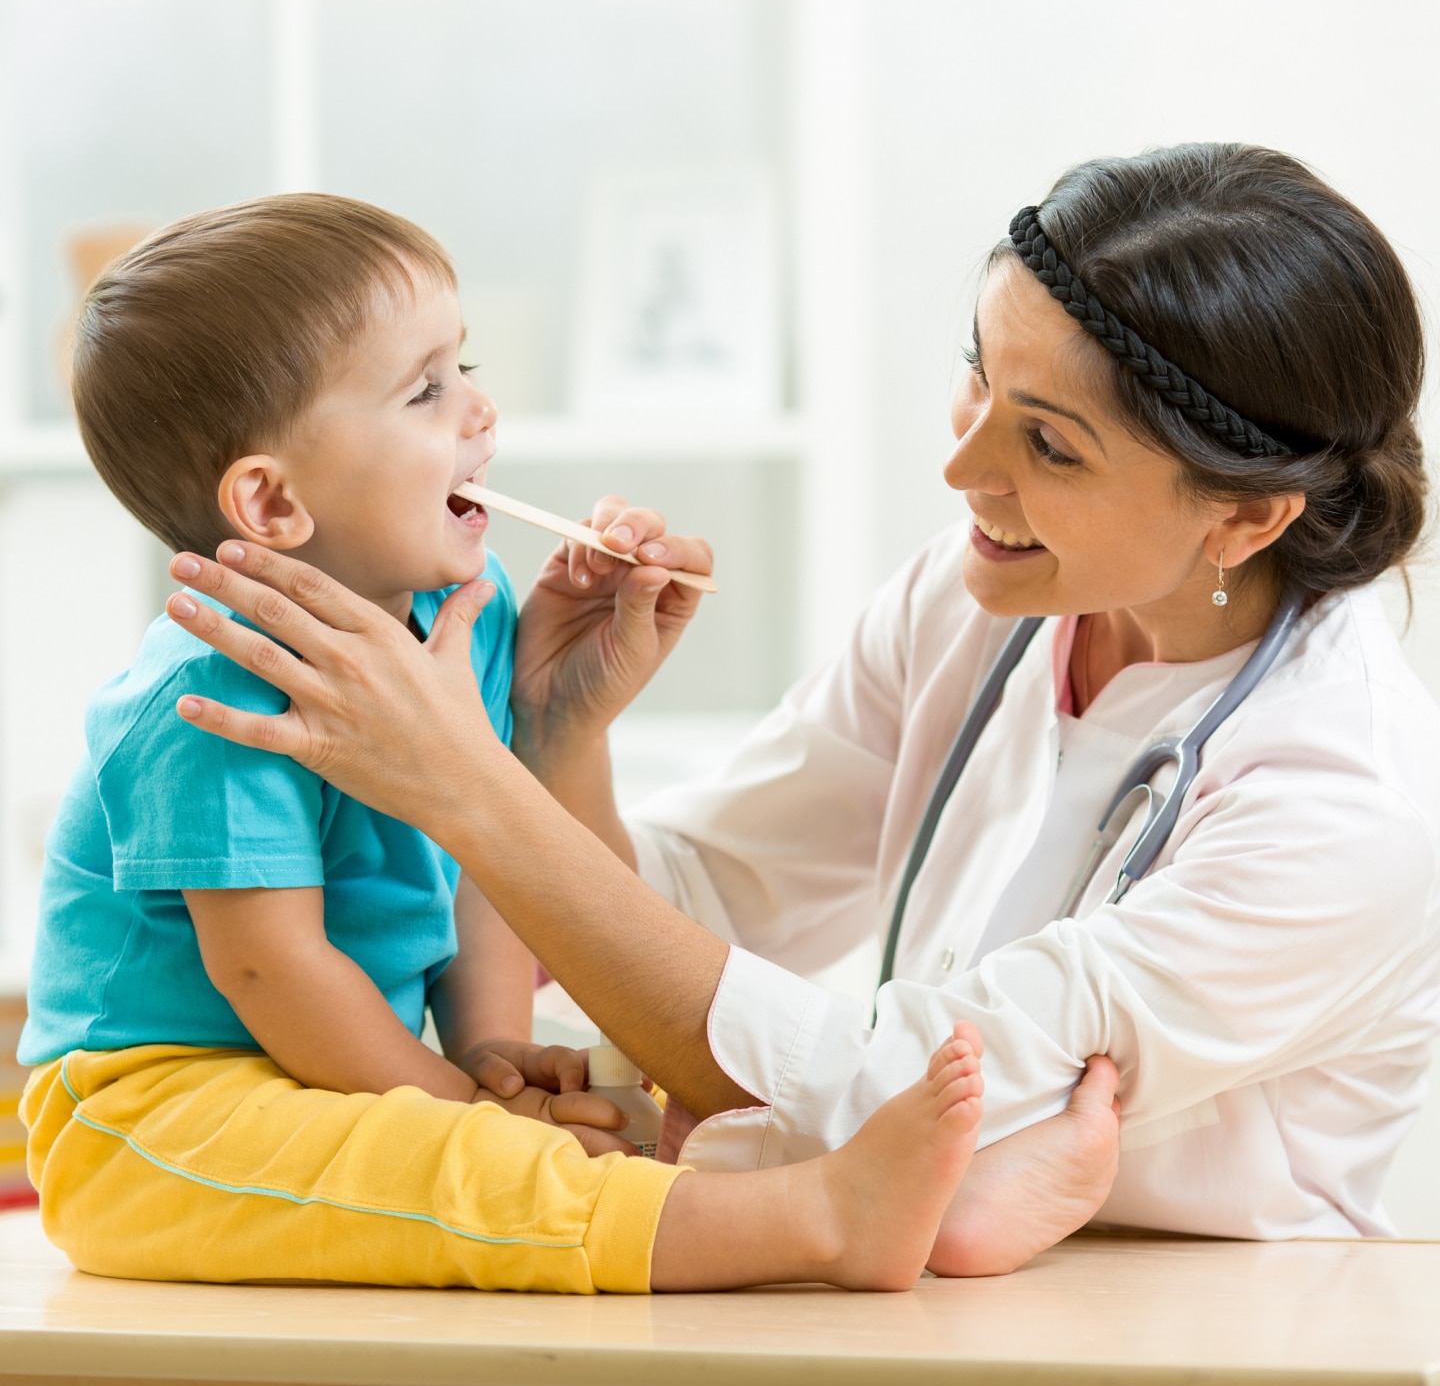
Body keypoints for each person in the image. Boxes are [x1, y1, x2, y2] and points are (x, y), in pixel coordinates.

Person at [158, 144, 1440, 1259]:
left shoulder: (1343, 804)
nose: (960, 464)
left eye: (1048, 444)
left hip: (1213, 1322)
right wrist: (555, 743)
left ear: (1246, 514)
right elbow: (694, 924)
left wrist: (467, 783)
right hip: (933, 1290)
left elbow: (885, 1092)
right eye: (977, 375)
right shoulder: (978, 595)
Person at [18, 192, 1116, 1294]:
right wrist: (458, 1105)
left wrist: (489, 1051)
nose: (480, 412)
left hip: (326, 1074)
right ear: (271, 500)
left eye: (465, 367)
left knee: (595, 1112)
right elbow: (275, 969)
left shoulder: (470, 609)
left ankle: (870, 1190)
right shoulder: (211, 698)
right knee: (463, 1171)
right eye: (426, 389)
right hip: (157, 1111)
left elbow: (488, 859)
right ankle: (820, 1219)